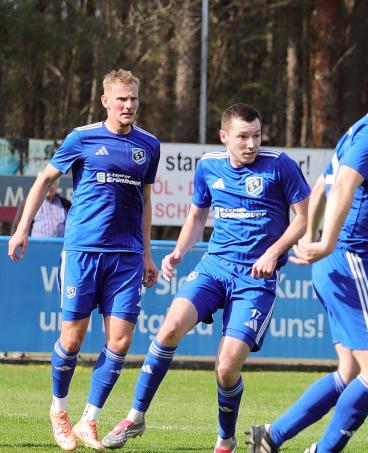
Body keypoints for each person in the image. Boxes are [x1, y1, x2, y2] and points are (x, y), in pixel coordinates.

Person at [101, 103, 310, 452]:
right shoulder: (209, 166)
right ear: (224, 136)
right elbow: (197, 217)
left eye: (256, 135)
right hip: (215, 267)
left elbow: (303, 217)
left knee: (226, 368)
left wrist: (274, 252)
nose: (251, 144)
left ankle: (225, 438)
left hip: (255, 280)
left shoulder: (280, 166)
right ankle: (135, 416)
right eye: (243, 137)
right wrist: (179, 252)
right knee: (169, 328)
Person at [245, 62, 368, 453]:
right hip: (354, 259)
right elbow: (341, 189)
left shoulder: (356, 130)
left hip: (339, 258)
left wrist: (311, 239)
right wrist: (324, 242)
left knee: (350, 370)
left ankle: (271, 436)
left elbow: (319, 187)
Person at [7, 69, 160, 451]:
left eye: (134, 98)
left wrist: (147, 252)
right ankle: (59, 409)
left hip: (126, 258)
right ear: (106, 101)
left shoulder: (149, 146)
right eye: (121, 99)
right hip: (83, 252)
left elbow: (146, 200)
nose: (128, 105)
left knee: (121, 341)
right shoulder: (82, 137)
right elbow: (43, 180)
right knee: (72, 339)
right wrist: (22, 227)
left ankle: (88, 419)